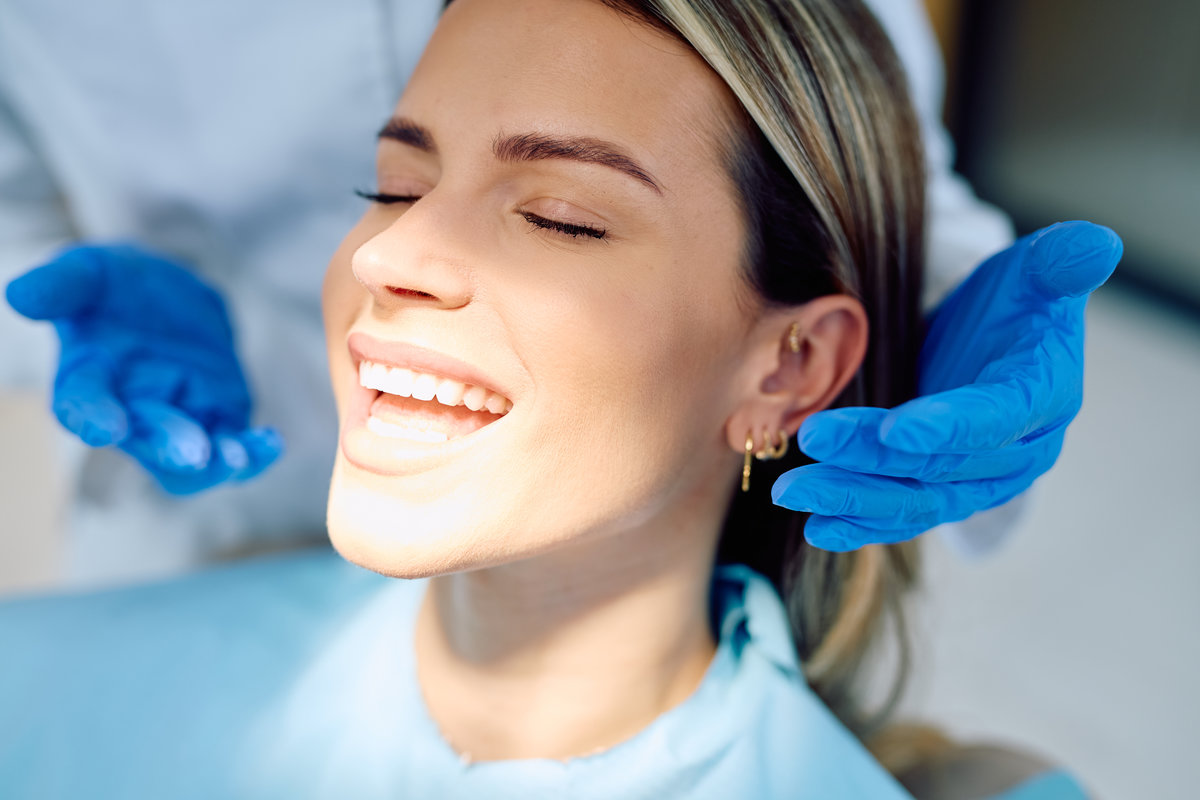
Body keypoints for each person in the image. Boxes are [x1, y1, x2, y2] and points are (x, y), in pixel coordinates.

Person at [0, 1, 1099, 797]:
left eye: (563, 218)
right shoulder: (40, 691)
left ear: (793, 366)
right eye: (389, 186)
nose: (395, 251)